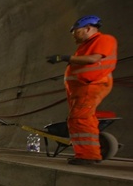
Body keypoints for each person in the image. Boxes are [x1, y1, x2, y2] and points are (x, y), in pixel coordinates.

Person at [46, 15, 118, 165]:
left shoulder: (103, 40)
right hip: (82, 88)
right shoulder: (84, 47)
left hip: (91, 85)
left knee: (80, 118)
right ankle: (89, 153)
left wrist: (64, 57)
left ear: (88, 28)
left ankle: (88, 155)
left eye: (76, 32)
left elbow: (93, 59)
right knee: (81, 118)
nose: (74, 36)